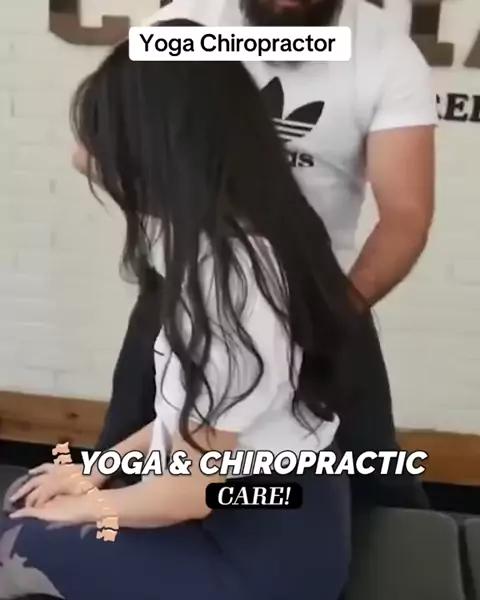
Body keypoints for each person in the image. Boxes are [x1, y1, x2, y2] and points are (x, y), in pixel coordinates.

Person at [0, 21, 362, 600]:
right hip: (270, 505)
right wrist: (97, 468)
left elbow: (189, 493)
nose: (82, 156)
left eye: (105, 135)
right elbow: (194, 419)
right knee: (29, 504)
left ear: (155, 147)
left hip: (257, 556)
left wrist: (85, 507)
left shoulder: (230, 281)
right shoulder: (251, 237)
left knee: (15, 540)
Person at [96, 0, 437, 508]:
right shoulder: (182, 26)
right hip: (191, 289)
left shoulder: (384, 51)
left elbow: (405, 217)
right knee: (125, 469)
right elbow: (99, 147)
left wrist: (319, 319)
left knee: (373, 487)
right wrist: (204, 218)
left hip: (326, 297)